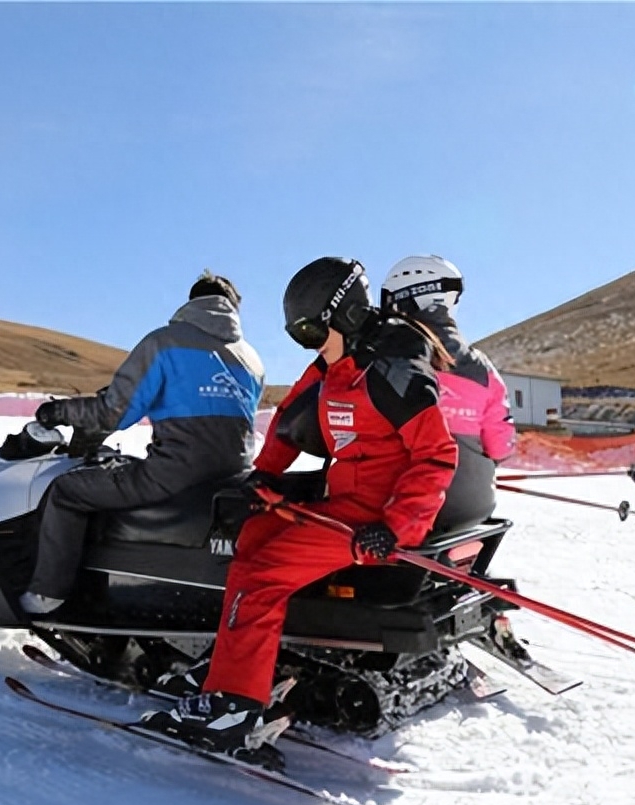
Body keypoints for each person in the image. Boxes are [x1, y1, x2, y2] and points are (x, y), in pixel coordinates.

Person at [141, 257, 458, 754]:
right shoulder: (337, 360)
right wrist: (266, 473)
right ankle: (237, 663)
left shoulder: (393, 368)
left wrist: (395, 527)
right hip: (344, 499)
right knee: (251, 538)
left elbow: (437, 455)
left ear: (348, 315)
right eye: (298, 336)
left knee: (265, 570)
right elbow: (291, 416)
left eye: (314, 331)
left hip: (376, 517)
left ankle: (235, 705)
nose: (309, 345)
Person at [18, 271, 264, 615]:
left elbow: (113, 412)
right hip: (234, 477)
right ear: (234, 310)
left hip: (174, 477)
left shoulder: (166, 342)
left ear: (192, 302)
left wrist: (58, 411)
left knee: (67, 492)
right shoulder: (252, 361)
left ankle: (47, 594)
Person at [380, 255, 515, 532]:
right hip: (474, 508)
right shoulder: (481, 366)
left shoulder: (388, 357)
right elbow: (500, 445)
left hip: (407, 512)